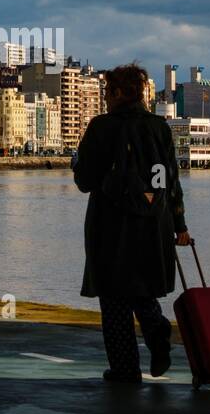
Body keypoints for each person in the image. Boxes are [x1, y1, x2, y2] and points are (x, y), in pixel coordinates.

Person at [73, 63, 191, 383]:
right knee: (140, 288)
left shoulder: (101, 127)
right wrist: (180, 225)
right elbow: (171, 181)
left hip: (110, 225)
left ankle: (125, 369)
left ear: (118, 92)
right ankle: (157, 332)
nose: (105, 98)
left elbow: (85, 180)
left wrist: (78, 163)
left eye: (107, 92)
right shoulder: (159, 128)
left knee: (113, 297)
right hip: (154, 225)